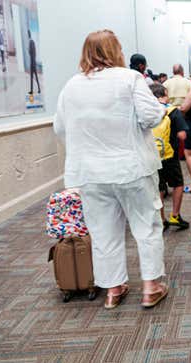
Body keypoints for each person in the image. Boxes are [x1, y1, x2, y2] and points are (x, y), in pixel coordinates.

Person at [53, 29, 168, 309]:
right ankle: (151, 287)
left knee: (104, 232)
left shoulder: (71, 86)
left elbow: (59, 127)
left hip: (90, 174)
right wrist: (163, 110)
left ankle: (114, 290)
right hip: (131, 169)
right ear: (115, 51)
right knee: (146, 227)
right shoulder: (129, 79)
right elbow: (151, 116)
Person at [149, 83, 190, 231]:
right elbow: (182, 135)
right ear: (164, 95)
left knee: (159, 187)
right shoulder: (172, 111)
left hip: (152, 156)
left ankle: (161, 219)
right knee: (177, 184)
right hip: (169, 155)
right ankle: (175, 215)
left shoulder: (147, 112)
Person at [28, 29, 40, 94]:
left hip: (32, 63)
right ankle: (35, 89)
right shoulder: (32, 42)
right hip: (33, 62)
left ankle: (35, 89)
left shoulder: (30, 42)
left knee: (33, 77)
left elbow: (31, 52)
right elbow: (34, 53)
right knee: (34, 77)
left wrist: (28, 51)